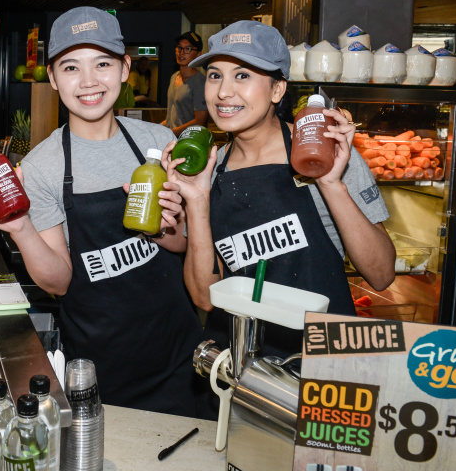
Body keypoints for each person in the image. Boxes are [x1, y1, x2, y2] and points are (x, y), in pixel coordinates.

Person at [0, 7, 202, 416]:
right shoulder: (42, 166)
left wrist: (164, 230)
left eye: (103, 64)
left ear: (125, 68)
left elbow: (185, 245)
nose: (89, 81)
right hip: (100, 367)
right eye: (71, 67)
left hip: (178, 355)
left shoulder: (158, 140)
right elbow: (59, 283)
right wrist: (20, 228)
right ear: (53, 77)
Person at [165, 20, 396, 360]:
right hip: (239, 362)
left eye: (242, 75)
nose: (223, 92)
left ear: (277, 90)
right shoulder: (207, 170)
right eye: (215, 75)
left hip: (320, 362)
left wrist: (330, 183)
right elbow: (204, 297)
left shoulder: (323, 153)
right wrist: (197, 200)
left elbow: (381, 273)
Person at [163, 32, 209, 136]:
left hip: (190, 141)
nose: (182, 52)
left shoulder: (200, 82)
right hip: (172, 139)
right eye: (179, 48)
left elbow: (200, 122)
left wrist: (169, 133)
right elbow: (172, 119)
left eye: (188, 49)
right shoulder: (174, 77)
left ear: (198, 55)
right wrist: (157, 128)